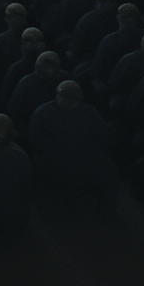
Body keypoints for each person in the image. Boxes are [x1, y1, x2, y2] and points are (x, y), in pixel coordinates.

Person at [29, 81, 117, 211]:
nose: (68, 103)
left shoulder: (90, 113)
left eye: (72, 100)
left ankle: (104, 208)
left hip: (83, 155)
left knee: (110, 171)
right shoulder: (43, 113)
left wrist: (89, 151)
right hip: (54, 155)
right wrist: (55, 149)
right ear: (57, 96)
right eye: (65, 98)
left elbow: (102, 135)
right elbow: (35, 139)